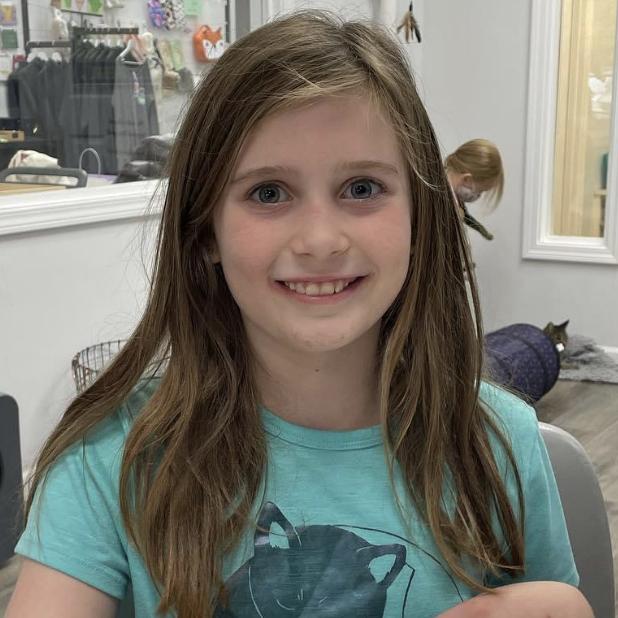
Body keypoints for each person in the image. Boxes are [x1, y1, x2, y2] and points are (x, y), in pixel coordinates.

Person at [7, 10, 591, 618]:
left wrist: (563, 607)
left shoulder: (499, 443)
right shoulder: (111, 456)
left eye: (362, 188)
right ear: (204, 232)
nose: (320, 241)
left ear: (420, 217)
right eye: (268, 193)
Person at [445, 138, 505, 241]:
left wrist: (484, 232)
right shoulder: (434, 197)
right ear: (467, 179)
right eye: (479, 191)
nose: (478, 196)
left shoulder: (455, 201)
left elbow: (467, 219)